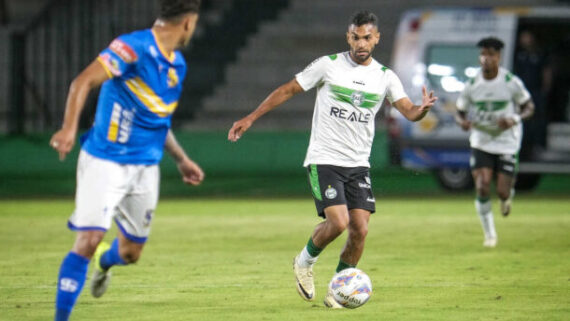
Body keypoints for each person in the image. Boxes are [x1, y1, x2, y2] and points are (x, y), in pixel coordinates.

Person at [228, 11, 437, 308]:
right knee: (338, 222)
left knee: (360, 231)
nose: (361, 43)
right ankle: (303, 261)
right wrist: (250, 118)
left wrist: (423, 108)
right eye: (355, 36)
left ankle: (338, 290)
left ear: (376, 38)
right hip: (325, 158)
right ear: (348, 37)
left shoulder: (385, 77)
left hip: (358, 164)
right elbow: (289, 89)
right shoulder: (329, 66)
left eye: (367, 37)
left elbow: (410, 111)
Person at [49, 1, 204, 320]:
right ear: (189, 23)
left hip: (146, 167)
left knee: (131, 253)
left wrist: (181, 160)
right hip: (105, 160)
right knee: (89, 238)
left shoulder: (177, 66)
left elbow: (158, 121)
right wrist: (68, 128)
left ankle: (106, 261)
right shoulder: (132, 47)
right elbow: (82, 82)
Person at [455, 37, 534, 248]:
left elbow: (529, 107)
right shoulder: (472, 84)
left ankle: (507, 196)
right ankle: (490, 235)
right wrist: (462, 122)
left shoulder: (510, 82)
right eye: (483, 54)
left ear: (498, 57)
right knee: (481, 186)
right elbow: (460, 111)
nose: (486, 58)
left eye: (491, 54)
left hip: (507, 141)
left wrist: (514, 119)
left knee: (502, 191)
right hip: (481, 140)